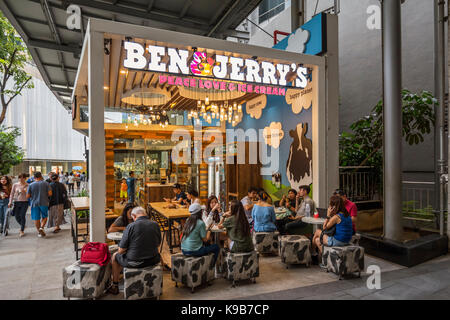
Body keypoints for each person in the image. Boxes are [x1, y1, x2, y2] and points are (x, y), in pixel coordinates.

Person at [108, 206, 161, 295]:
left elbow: (121, 250)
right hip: (153, 260)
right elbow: (158, 243)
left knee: (115, 256)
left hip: (135, 262)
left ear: (134, 216)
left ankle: (115, 285)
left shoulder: (131, 226)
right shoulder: (155, 224)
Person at [312, 195, 353, 261]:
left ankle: (314, 253)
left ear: (334, 206)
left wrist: (328, 215)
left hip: (338, 241)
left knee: (317, 231)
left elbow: (324, 227)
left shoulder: (337, 217)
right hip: (347, 240)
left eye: (330, 204)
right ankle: (320, 257)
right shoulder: (346, 214)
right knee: (317, 240)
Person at [27, 172, 52, 237]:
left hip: (34, 203)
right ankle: (42, 227)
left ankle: (39, 232)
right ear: (41, 176)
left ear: (34, 177)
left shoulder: (31, 185)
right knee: (44, 217)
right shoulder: (46, 183)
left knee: (36, 218)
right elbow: (50, 194)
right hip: (44, 202)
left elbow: (28, 196)